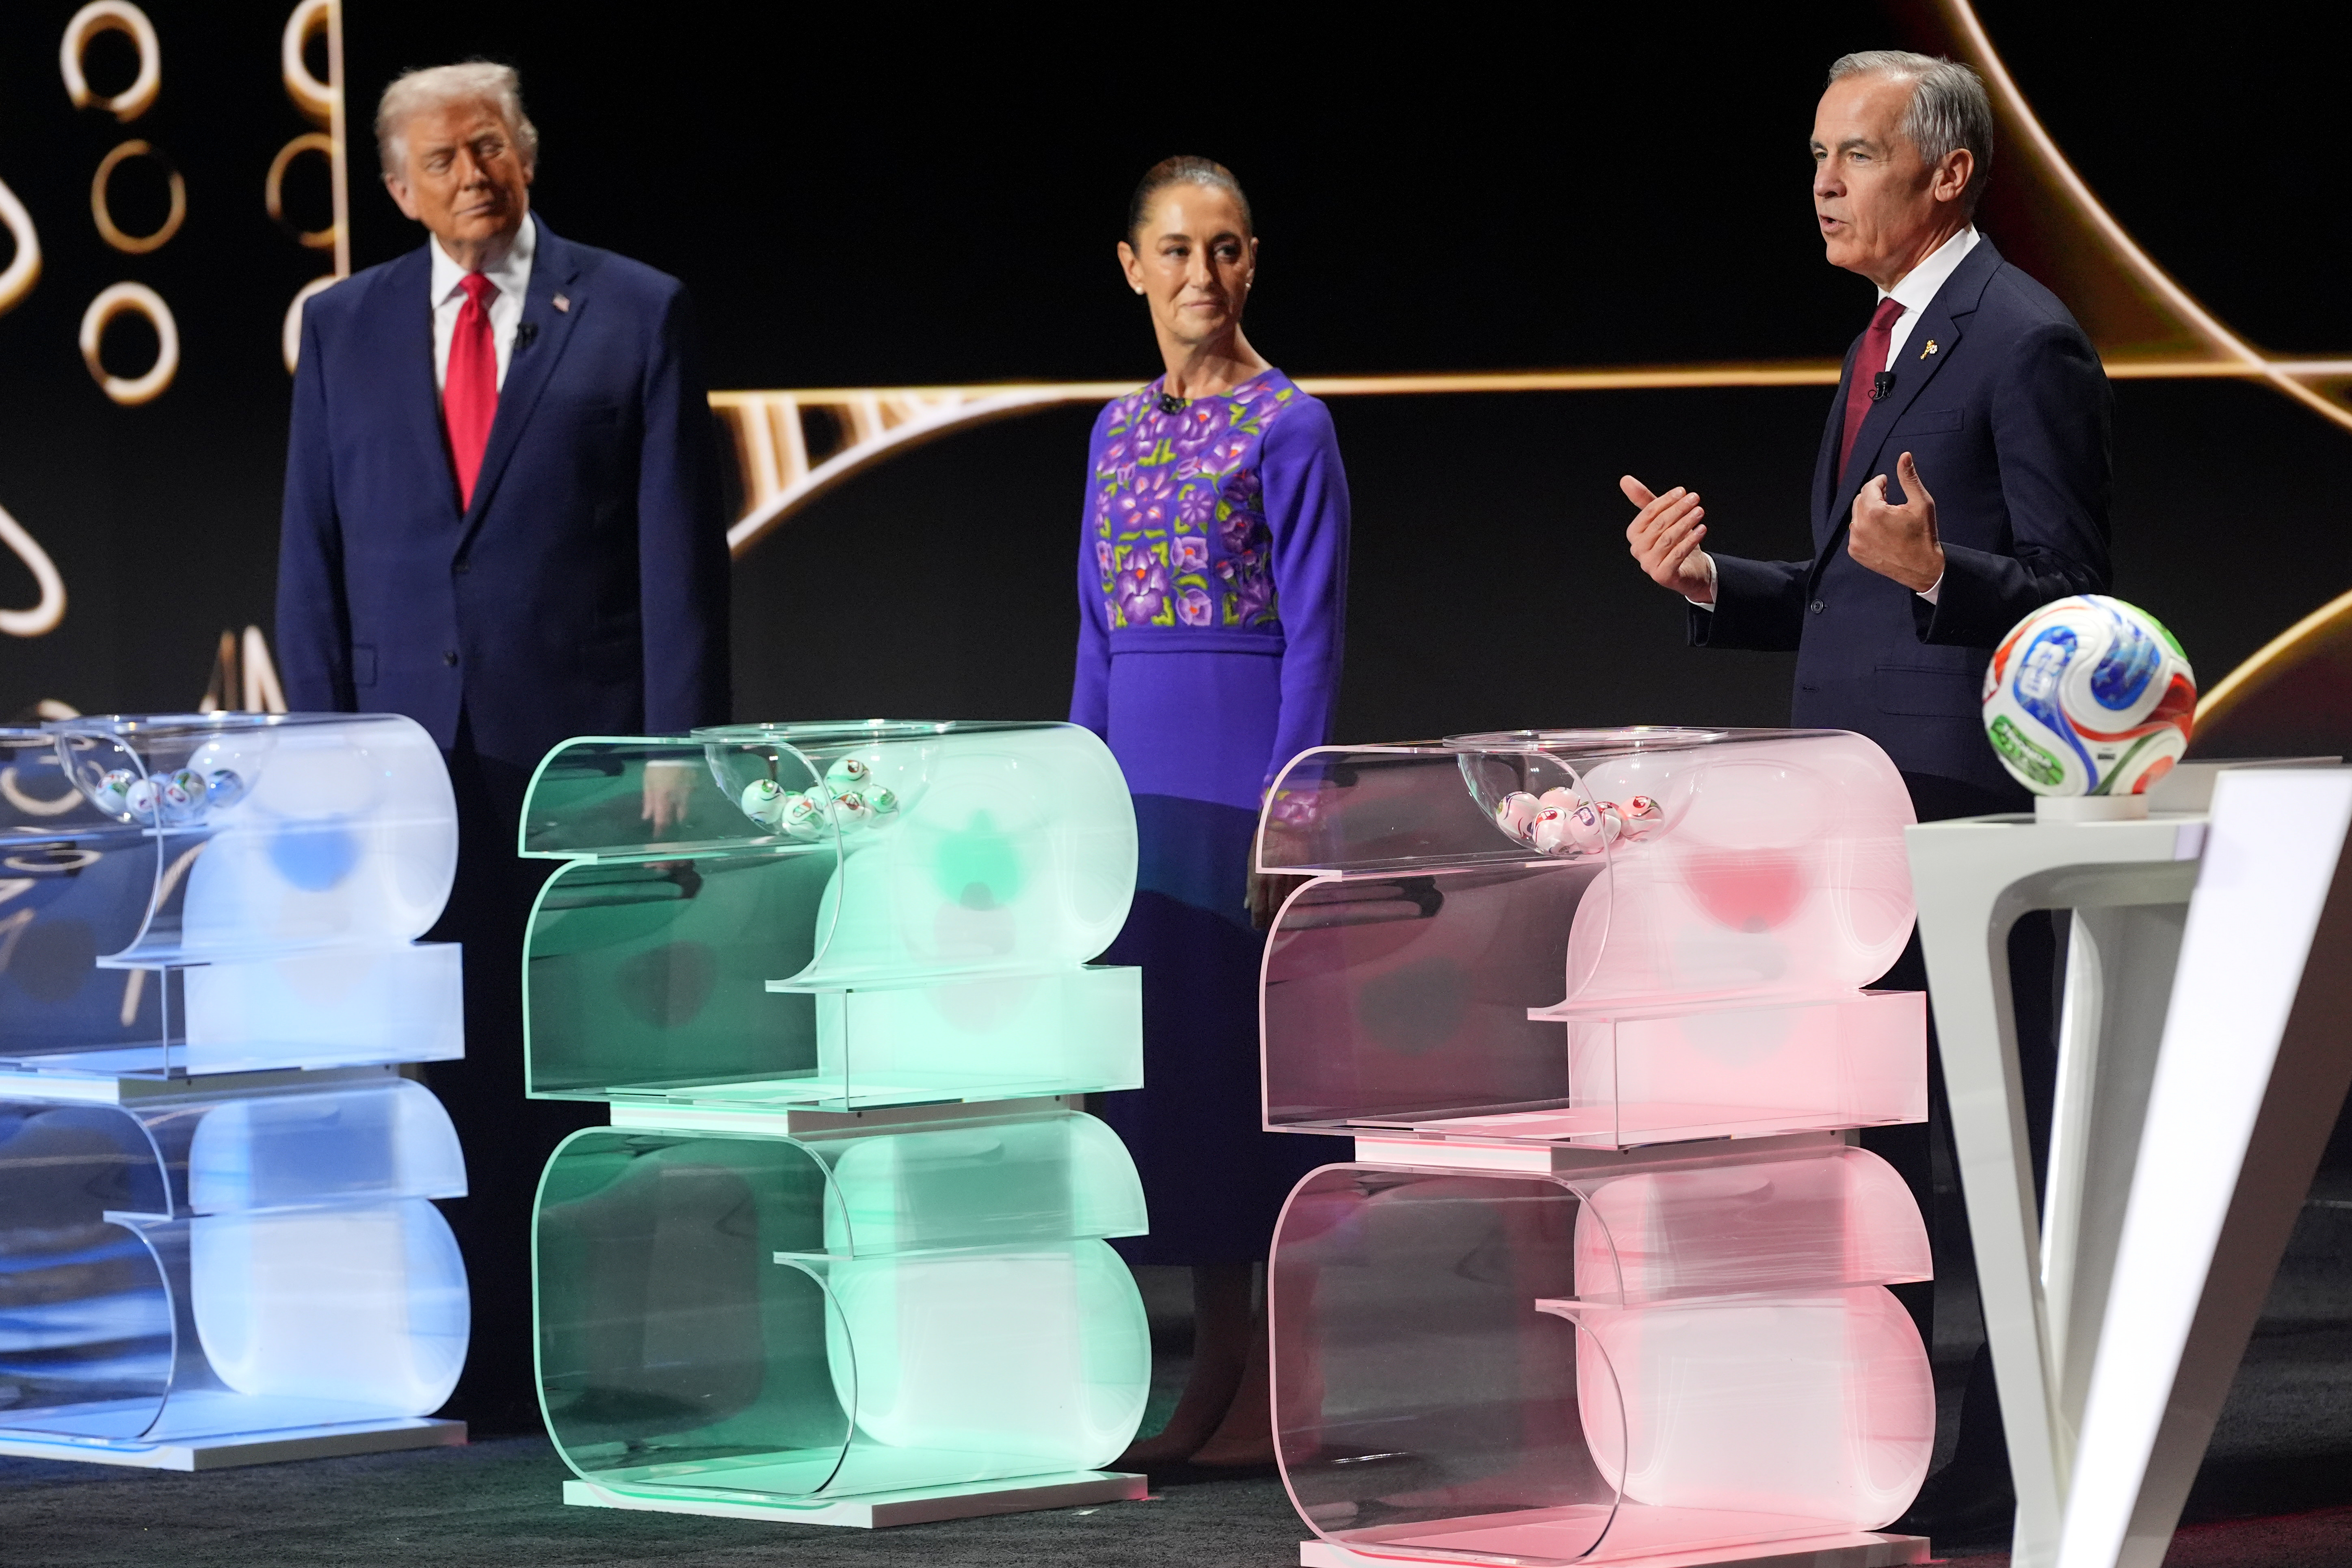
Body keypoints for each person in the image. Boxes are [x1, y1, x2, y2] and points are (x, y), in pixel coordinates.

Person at [1617, 51, 2110, 1537]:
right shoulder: (1878, 344)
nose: (1824, 183)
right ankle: (1879, 1428)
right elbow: (1848, 594)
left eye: (1856, 154)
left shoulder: (2023, 339)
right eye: (1816, 156)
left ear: (1947, 173)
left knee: (1987, 1144)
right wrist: (1712, 582)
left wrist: (1951, 574)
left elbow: (2080, 602)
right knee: (1874, 1139)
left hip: (1961, 816)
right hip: (1847, 821)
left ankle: (2016, 1449)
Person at [275, 62, 731, 1431]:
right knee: (448, 1065)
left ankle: (578, 1363)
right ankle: (470, 1363)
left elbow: (680, 559)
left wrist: (673, 752)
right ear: (399, 189)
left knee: (577, 1064)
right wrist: (322, 762)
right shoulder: (343, 328)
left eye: (493, 148)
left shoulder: (636, 310)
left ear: (527, 158)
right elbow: (313, 556)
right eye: (443, 158)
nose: (473, 174)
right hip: (410, 773)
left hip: (577, 762)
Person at [1071, 156, 1350, 1471]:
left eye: (1227, 250)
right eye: (1177, 251)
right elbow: (1092, 636)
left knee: (1245, 1095)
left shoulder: (1292, 426)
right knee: (1170, 1093)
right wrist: (1073, 805)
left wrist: (1286, 821)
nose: (1203, 276)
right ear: (1132, 266)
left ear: (1253, 263)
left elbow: (1314, 638)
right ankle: (1213, 1362)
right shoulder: (1114, 433)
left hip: (1240, 795)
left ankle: (1266, 1382)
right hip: (1136, 801)